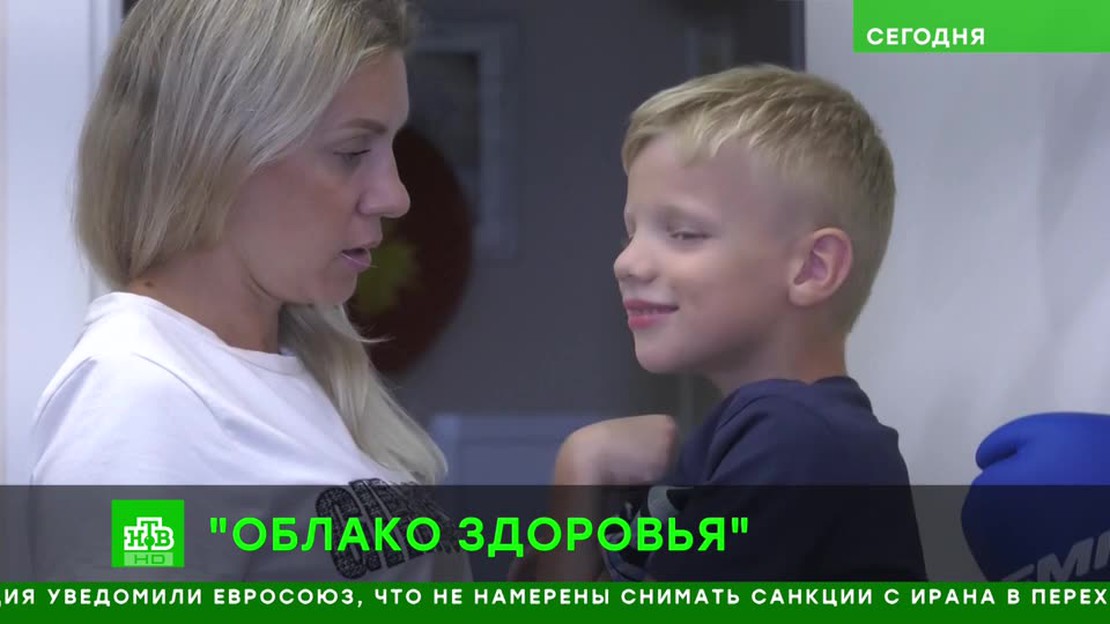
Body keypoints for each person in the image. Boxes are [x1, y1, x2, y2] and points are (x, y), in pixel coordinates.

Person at [26, 0, 470, 582]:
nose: (395, 196)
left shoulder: (298, 366)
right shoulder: (136, 397)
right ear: (216, 153)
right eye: (352, 153)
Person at [528, 64, 927, 582]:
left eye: (683, 233)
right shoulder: (764, 438)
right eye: (631, 233)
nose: (627, 263)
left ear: (813, 268)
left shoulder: (795, 443)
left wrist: (580, 468)